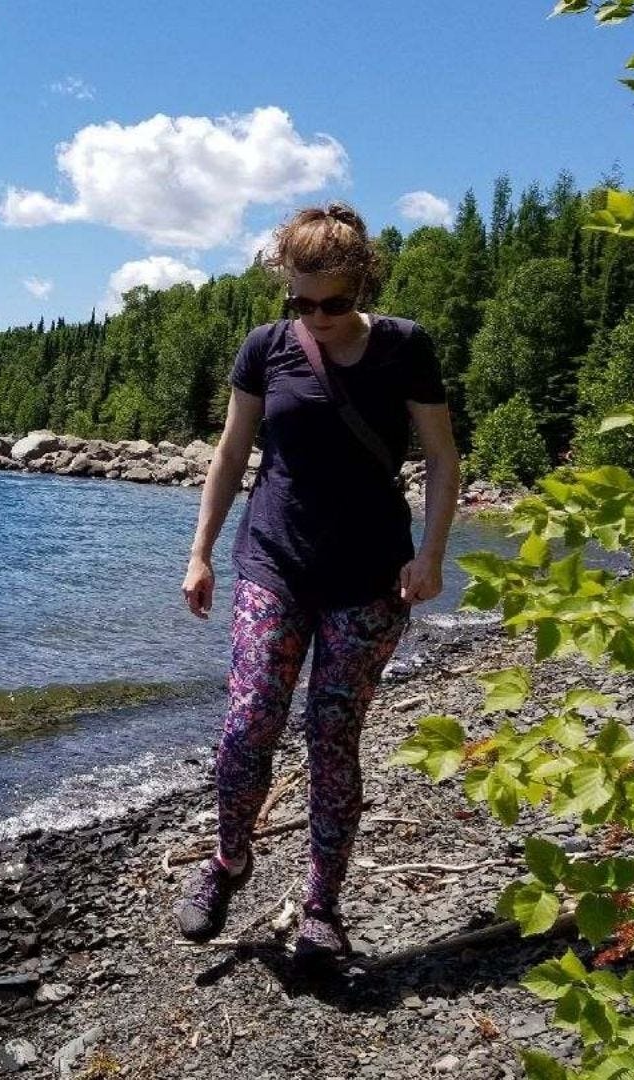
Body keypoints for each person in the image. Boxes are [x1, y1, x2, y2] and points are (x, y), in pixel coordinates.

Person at [174, 202, 461, 966]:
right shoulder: (265, 348)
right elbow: (230, 454)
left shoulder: (404, 347)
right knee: (248, 725)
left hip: (369, 579)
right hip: (274, 562)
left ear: (362, 284)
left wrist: (432, 555)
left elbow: (442, 458)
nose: (318, 318)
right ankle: (229, 859)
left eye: (333, 303)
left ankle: (321, 909)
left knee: (333, 738)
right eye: (302, 302)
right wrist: (200, 553)